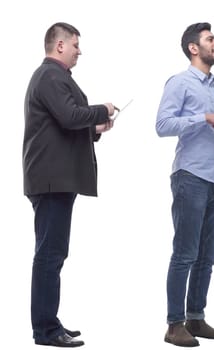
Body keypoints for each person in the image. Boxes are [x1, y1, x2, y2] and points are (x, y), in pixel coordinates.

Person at [23, 22, 117, 347]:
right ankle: (46, 330)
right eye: (76, 44)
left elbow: (63, 122)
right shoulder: (50, 76)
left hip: (56, 179)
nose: (80, 50)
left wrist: (95, 129)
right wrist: (99, 110)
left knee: (53, 253)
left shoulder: (55, 78)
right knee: (49, 255)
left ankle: (49, 322)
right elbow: (68, 115)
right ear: (60, 45)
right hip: (51, 180)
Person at [156, 22, 214, 347]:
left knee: (207, 256)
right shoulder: (180, 82)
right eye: (211, 39)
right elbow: (162, 125)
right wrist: (203, 118)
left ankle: (195, 318)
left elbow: (211, 137)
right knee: (184, 253)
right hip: (189, 177)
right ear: (193, 48)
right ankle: (174, 324)